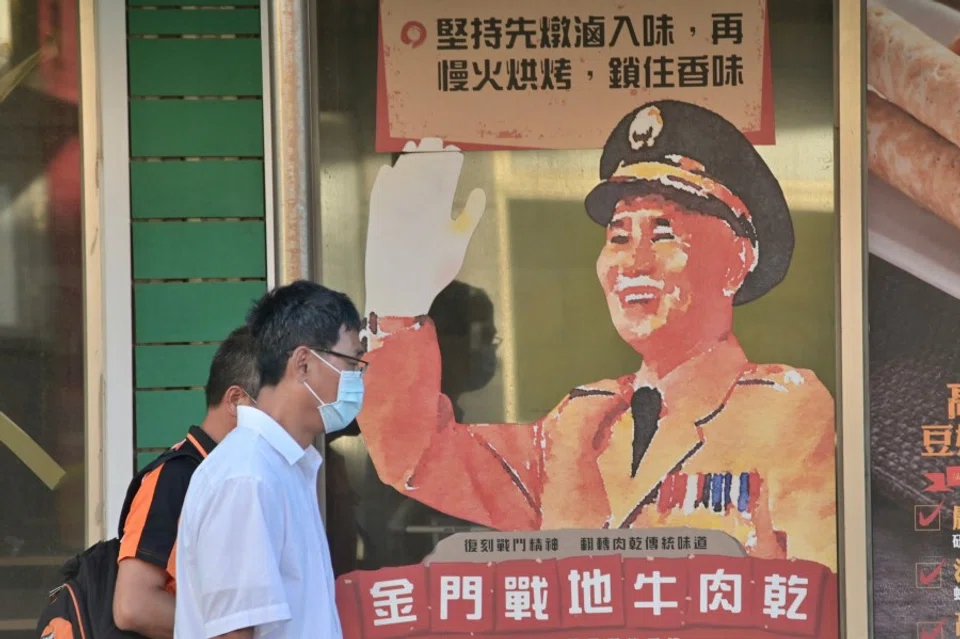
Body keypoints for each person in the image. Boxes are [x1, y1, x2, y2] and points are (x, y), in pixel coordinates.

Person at [358, 100, 837, 570]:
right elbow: (419, 456)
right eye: (619, 236)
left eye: (664, 233)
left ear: (736, 261)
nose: (633, 263)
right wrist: (398, 307)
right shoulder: (581, 422)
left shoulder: (784, 410)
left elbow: (815, 593)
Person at [174, 281, 364, 639]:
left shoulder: (283, 468)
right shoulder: (247, 477)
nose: (358, 378)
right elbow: (233, 632)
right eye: (352, 361)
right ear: (304, 364)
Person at [112, 326, 260, 638]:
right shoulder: (175, 476)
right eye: (275, 402)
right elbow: (133, 604)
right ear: (236, 400)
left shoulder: (242, 478)